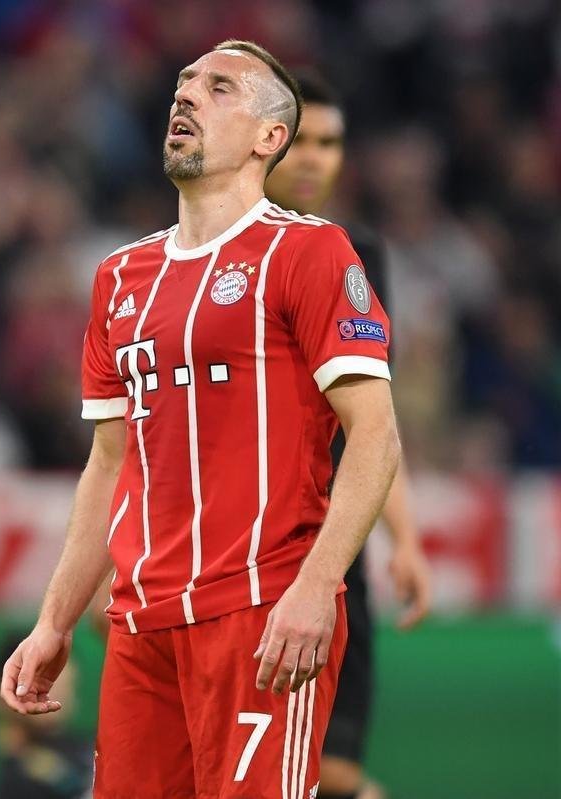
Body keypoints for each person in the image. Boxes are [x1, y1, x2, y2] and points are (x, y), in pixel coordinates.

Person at [1, 40, 401, 799]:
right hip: (139, 626)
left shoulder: (310, 253)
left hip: (260, 616)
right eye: (185, 84)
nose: (186, 97)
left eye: (220, 88)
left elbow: (376, 435)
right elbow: (109, 462)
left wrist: (318, 585)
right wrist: (55, 620)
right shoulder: (120, 276)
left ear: (268, 137)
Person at [264, 70, 432, 799]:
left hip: (329, 546)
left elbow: (369, 419)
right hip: (230, 546)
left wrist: (404, 537)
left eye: (329, 143)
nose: (313, 158)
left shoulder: (356, 253)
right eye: (300, 140)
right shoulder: (201, 250)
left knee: (331, 774)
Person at [0, 630, 93, 799]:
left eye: (66, 685)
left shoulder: (93, 747)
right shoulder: (16, 776)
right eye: (43, 682)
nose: (57, 693)